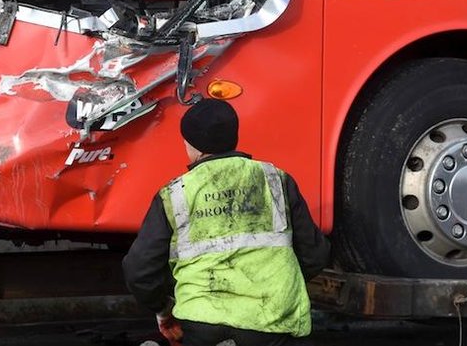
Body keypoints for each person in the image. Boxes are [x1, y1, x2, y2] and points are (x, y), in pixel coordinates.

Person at [122, 98, 330, 346]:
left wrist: (164, 308)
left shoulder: (175, 193)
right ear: (234, 136)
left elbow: (139, 269)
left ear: (192, 146)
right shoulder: (275, 180)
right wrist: (282, 284)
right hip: (272, 323)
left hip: (201, 322)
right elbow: (315, 254)